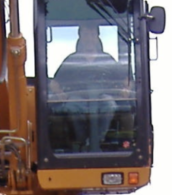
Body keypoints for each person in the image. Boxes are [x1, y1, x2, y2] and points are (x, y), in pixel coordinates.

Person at [49, 21, 121, 152]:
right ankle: (81, 140)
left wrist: (125, 91)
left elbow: (127, 80)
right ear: (80, 36)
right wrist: (60, 93)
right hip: (79, 98)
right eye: (86, 33)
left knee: (110, 105)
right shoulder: (71, 60)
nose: (89, 37)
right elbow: (54, 82)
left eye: (92, 33)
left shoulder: (107, 59)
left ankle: (97, 140)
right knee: (71, 106)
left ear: (97, 36)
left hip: (101, 98)